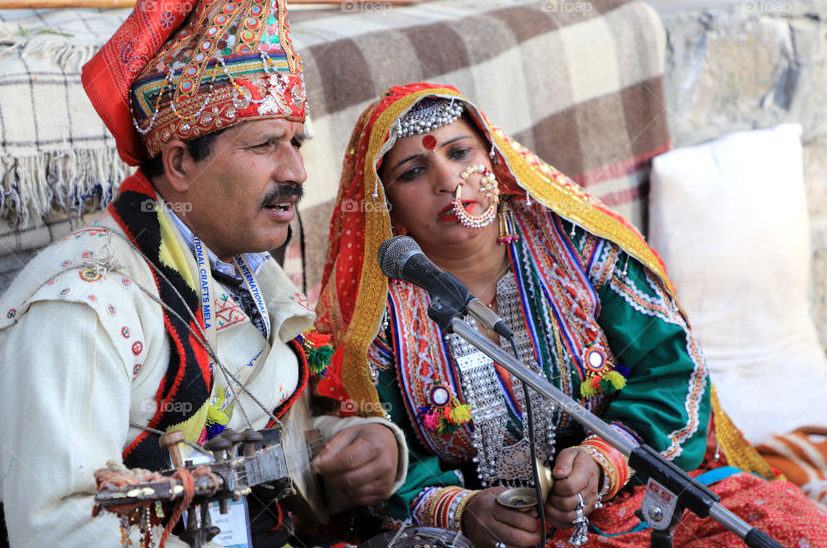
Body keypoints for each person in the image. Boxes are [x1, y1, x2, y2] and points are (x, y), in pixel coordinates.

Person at [0, 0, 405, 547]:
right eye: (264, 145)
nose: (296, 171)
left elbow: (257, 445)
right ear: (178, 163)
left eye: (295, 142)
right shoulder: (87, 304)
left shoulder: (245, 273)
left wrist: (357, 453)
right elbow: (58, 528)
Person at [311, 82, 827, 547]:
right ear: (389, 206)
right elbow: (375, 458)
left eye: (460, 152)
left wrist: (605, 461)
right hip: (481, 539)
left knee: (792, 530)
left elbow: (672, 371)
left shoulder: (577, 246)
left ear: (492, 160)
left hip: (634, 504)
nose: (448, 179)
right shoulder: (374, 314)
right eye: (414, 172)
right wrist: (461, 511)